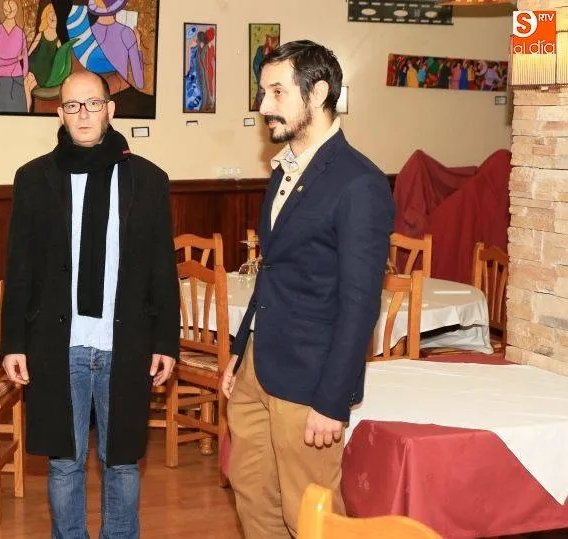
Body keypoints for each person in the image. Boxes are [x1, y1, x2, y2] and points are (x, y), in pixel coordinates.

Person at [221, 40, 394, 538]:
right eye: (263, 92)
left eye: (277, 92)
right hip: (258, 367)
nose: (264, 105)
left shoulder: (359, 182)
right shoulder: (284, 169)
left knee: (312, 515)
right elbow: (272, 271)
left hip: (310, 381)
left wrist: (332, 400)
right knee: (252, 496)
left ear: (317, 93)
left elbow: (360, 304)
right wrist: (240, 351)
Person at [0, 71, 179, 538]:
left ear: (110, 109)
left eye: (93, 104)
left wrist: (166, 341)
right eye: (72, 106)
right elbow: (19, 269)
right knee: (64, 463)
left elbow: (163, 267)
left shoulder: (148, 179)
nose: (83, 114)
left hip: (127, 342)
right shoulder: (34, 179)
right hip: (59, 345)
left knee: (123, 462)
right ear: (59, 114)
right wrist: (13, 342)